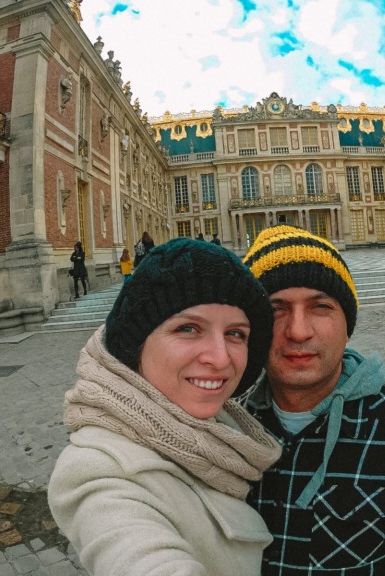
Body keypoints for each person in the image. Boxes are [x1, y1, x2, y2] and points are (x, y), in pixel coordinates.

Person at [48, 238, 282, 576]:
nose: (220, 358)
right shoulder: (98, 471)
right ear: (137, 344)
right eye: (188, 328)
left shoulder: (217, 428)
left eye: (236, 334)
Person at [242, 225, 385, 575]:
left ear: (348, 324)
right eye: (276, 309)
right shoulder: (222, 427)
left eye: (320, 306)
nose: (298, 330)